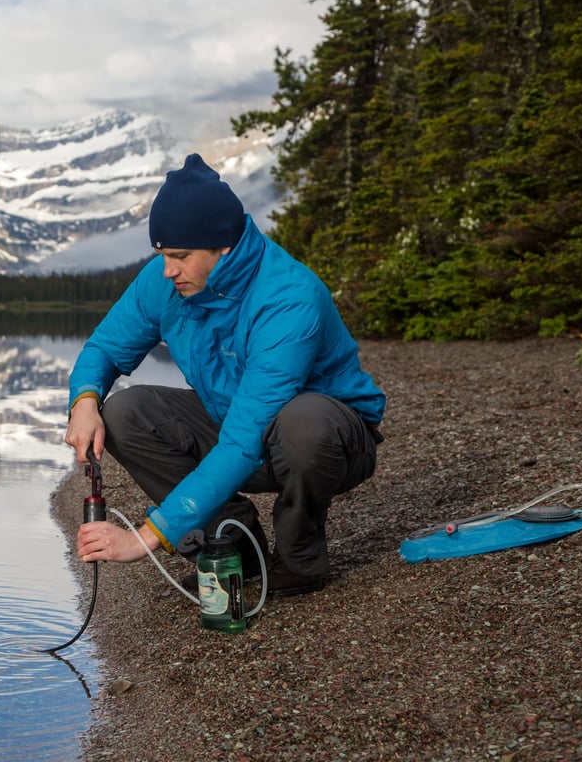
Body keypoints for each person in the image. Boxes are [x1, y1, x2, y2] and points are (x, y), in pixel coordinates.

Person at [64, 153, 386, 596]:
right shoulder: (166, 282)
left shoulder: (288, 298)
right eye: (161, 254)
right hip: (235, 420)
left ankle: (299, 557)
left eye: (180, 256)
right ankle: (234, 544)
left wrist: (145, 538)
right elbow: (104, 348)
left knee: (303, 425)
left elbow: (242, 440)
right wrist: (83, 400)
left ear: (224, 246)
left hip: (328, 440)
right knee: (123, 412)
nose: (167, 269)